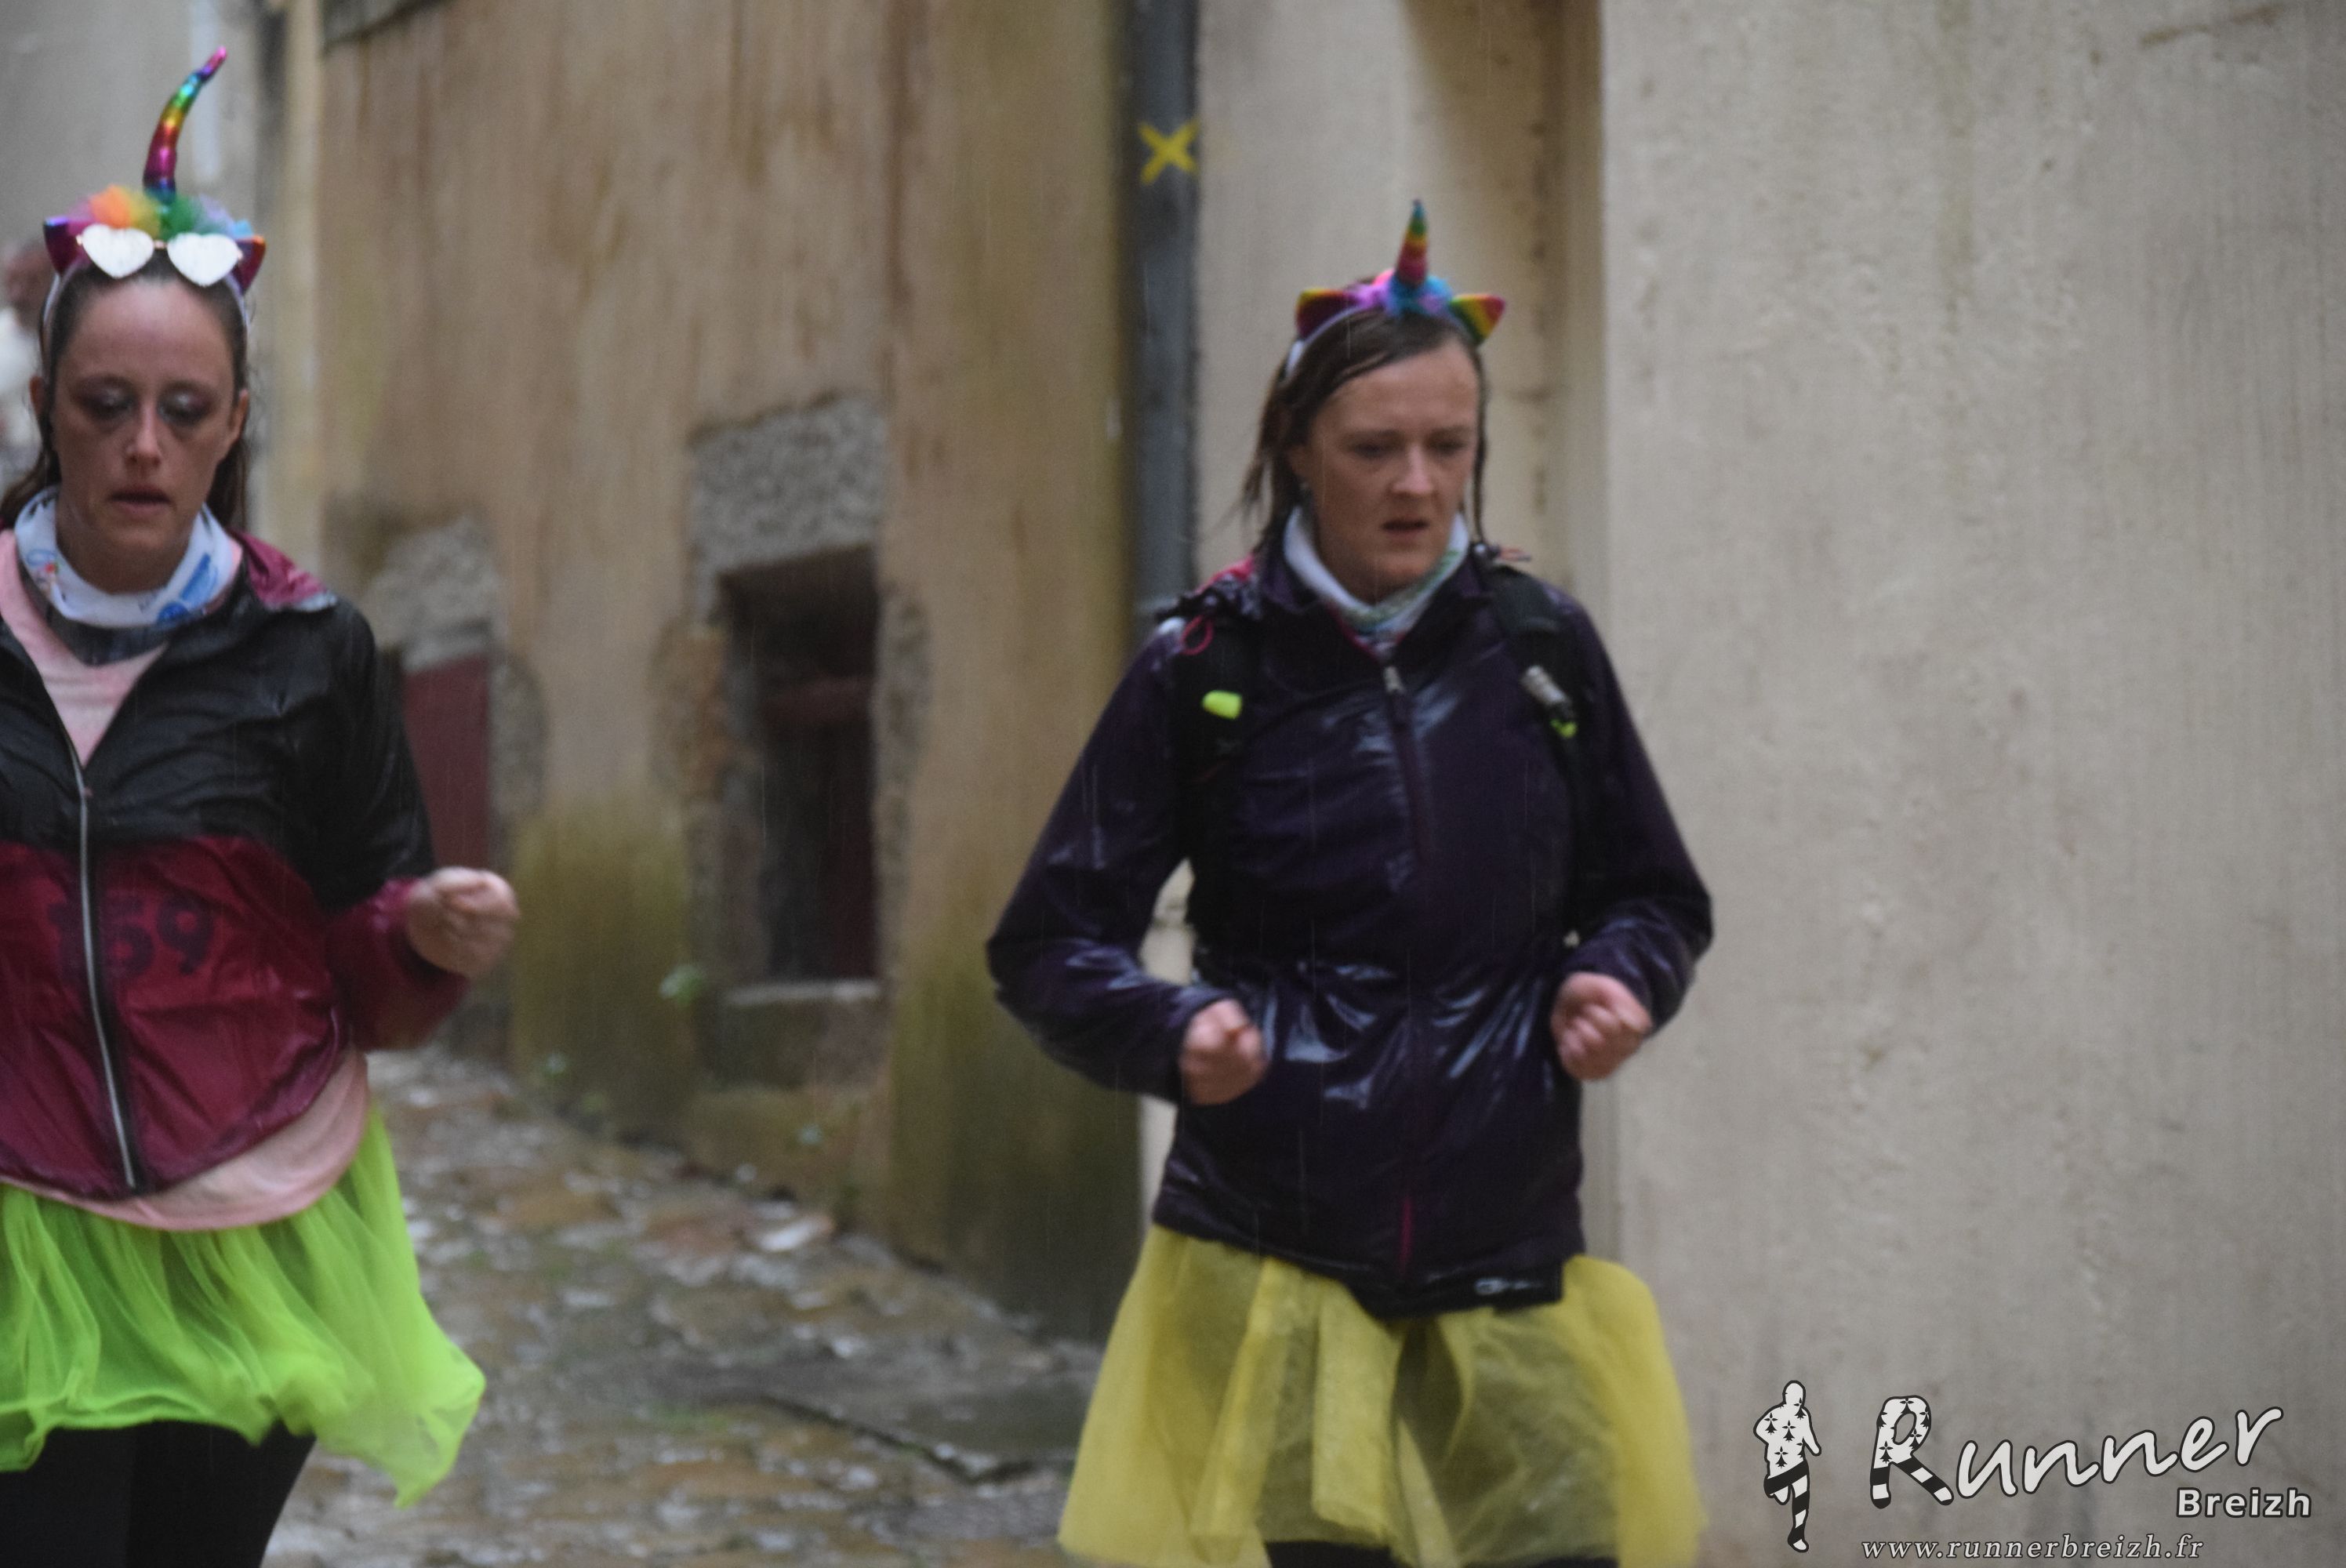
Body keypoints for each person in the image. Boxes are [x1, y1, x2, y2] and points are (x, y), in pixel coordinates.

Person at [989, 204, 1713, 1568]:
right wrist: (1171, 1032)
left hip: (1506, 1252)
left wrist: (1619, 976)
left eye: (1451, 446)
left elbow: (1656, 896)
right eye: (1376, 449)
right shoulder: (1205, 668)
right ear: (1296, 450)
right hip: (1275, 1262)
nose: (1418, 485)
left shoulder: (1540, 648)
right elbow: (1045, 944)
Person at [0, 51, 516, 1566]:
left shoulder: (310, 650)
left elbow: (366, 968)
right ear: (44, 409)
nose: (143, 446)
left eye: (184, 410)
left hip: (255, 1219)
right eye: (106, 405)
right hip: (23, 1221)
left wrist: (420, 935)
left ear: (234, 424)